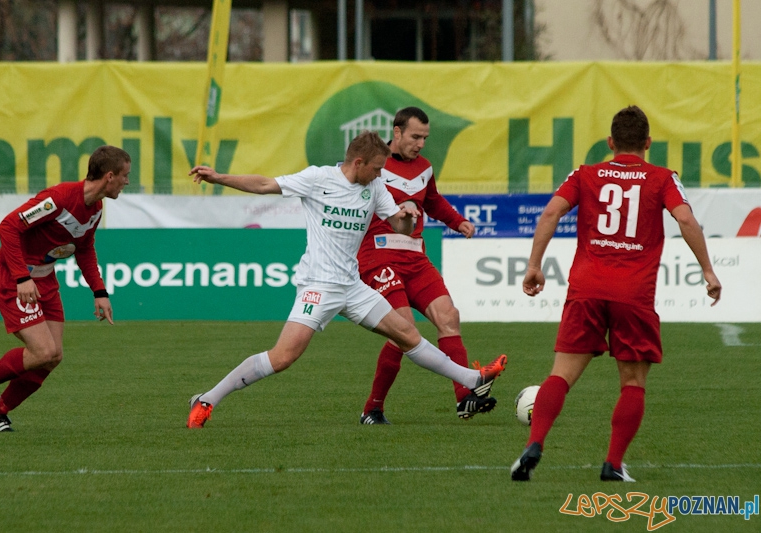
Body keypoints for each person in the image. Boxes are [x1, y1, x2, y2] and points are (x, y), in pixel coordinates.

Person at [186, 131, 507, 429]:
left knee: (407, 334)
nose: (380, 174)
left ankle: (473, 379)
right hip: (318, 285)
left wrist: (407, 219)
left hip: (353, 287)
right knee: (283, 357)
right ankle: (207, 399)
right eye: (377, 168)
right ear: (358, 163)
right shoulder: (318, 179)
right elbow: (264, 184)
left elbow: (398, 225)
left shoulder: (374, 187)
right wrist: (219, 177)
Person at [510, 106, 721, 482]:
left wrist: (533, 265)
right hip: (633, 293)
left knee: (560, 376)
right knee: (633, 383)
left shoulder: (585, 174)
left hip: (587, 289)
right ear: (648, 143)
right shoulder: (663, 178)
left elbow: (550, 214)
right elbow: (686, 218)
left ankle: (534, 442)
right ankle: (612, 463)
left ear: (610, 142)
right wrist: (707, 270)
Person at [0, 145, 130, 432]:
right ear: (109, 176)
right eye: (125, 175)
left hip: (45, 282)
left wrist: (99, 291)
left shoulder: (96, 208)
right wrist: (22, 277)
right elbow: (8, 227)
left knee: (53, 357)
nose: (126, 182)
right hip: (15, 279)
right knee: (43, 351)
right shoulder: (59, 198)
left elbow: (85, 249)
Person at [357, 107, 489, 424]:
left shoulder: (424, 168)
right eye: (415, 137)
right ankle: (372, 409)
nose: (420, 144)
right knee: (404, 328)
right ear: (397, 132)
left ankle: (464, 398)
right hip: (379, 257)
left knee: (449, 316)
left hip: (415, 258)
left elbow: (433, 201)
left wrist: (457, 221)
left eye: (425, 138)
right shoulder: (374, 165)